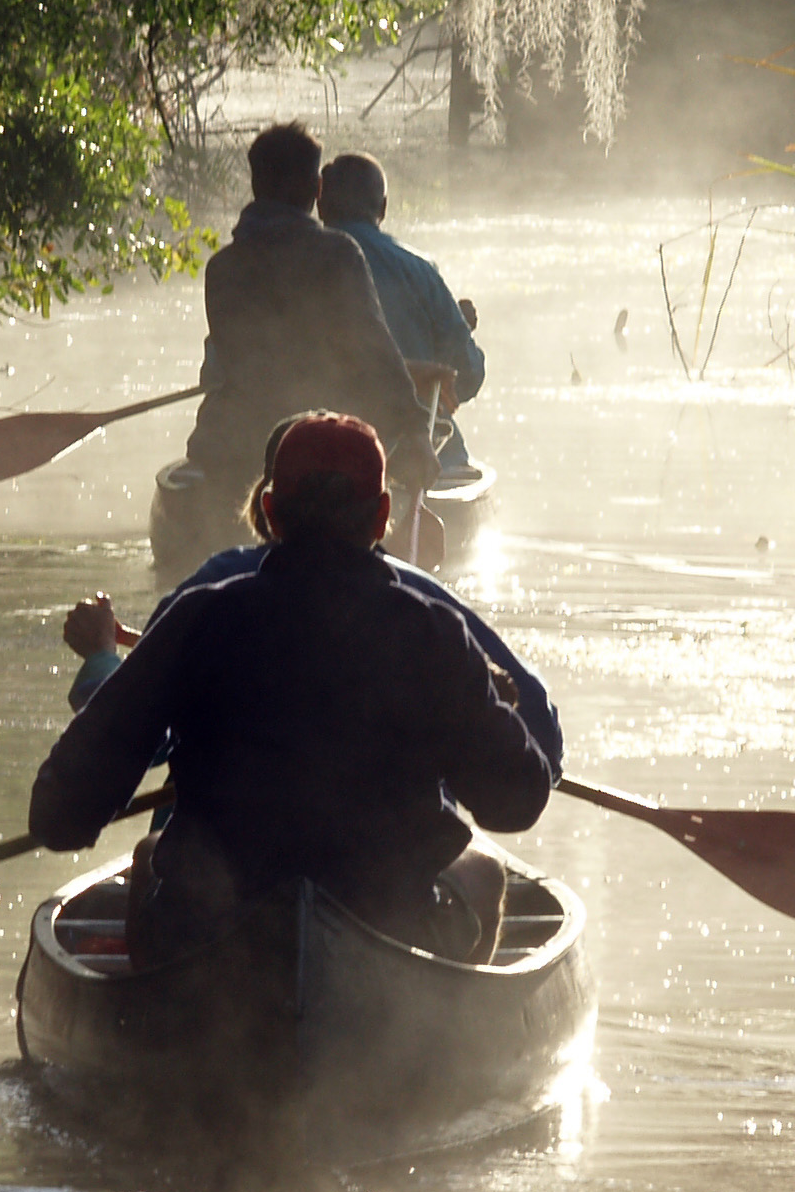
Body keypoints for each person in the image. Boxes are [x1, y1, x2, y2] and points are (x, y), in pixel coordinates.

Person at [30, 414, 551, 965]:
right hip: (388, 920)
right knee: (484, 872)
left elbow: (59, 816)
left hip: (217, 930)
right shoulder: (435, 635)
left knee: (149, 858)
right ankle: (452, 1037)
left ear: (271, 514)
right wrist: (477, 709)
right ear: (382, 518)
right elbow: (517, 803)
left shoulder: (199, 619)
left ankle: (150, 1029)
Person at [183, 124, 439, 509]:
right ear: (317, 191)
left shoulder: (222, 267)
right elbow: (374, 350)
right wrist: (416, 428)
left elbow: (245, 363)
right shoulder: (336, 255)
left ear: (256, 185)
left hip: (240, 449)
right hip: (322, 450)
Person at [315, 152, 485, 476]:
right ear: (383, 207)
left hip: (319, 448)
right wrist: (458, 330)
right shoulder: (418, 269)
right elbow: (468, 374)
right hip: (417, 452)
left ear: (320, 206)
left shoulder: (291, 268)